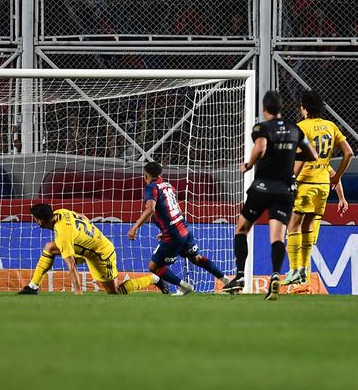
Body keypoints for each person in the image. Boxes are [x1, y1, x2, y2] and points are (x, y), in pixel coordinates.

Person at [223, 91, 317, 300]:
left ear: (265, 109)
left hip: (262, 188)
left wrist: (248, 165)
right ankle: (275, 275)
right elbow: (313, 155)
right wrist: (292, 153)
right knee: (277, 237)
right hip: (285, 190)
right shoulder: (295, 129)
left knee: (242, 229)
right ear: (281, 107)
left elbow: (261, 146)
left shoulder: (262, 128)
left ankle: (239, 275)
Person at [283, 91, 353, 289]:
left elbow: (300, 159)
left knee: (293, 226)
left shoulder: (302, 127)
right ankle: (303, 273)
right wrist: (338, 177)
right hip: (323, 185)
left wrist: (290, 180)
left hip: (306, 184)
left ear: (303, 107)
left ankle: (295, 270)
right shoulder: (331, 127)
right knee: (307, 228)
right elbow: (348, 153)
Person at [19, 203, 168, 296]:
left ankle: (154, 279)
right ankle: (33, 286)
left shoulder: (63, 236)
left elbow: (71, 265)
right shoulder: (61, 212)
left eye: (35, 219)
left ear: (40, 221)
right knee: (50, 247)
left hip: (102, 255)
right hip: (88, 249)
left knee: (115, 292)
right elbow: (82, 216)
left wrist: (78, 292)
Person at [127, 162, 230, 296]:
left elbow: (150, 209)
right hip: (183, 227)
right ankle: (226, 280)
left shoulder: (151, 187)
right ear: (160, 174)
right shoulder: (168, 185)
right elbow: (175, 207)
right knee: (196, 258)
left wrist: (135, 227)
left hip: (173, 234)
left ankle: (183, 286)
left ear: (145, 176)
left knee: (154, 266)